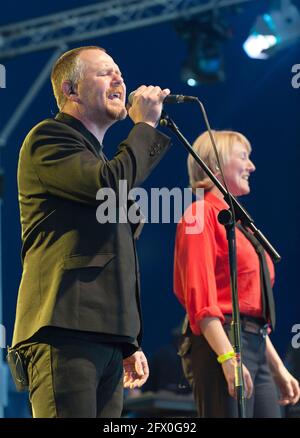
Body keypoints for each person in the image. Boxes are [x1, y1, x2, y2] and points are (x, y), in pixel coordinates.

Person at [10, 45, 171, 418]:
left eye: (119, 71)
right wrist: (145, 126)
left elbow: (117, 250)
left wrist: (127, 339)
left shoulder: (100, 159)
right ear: (70, 91)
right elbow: (110, 185)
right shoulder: (49, 139)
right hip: (64, 330)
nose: (119, 79)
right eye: (104, 73)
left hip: (106, 338)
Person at [173, 130, 300, 417]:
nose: (252, 166)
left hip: (254, 345)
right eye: (243, 157)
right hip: (222, 343)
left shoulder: (239, 225)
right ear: (215, 165)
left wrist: (278, 368)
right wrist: (228, 357)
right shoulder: (200, 214)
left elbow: (251, 312)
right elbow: (200, 300)